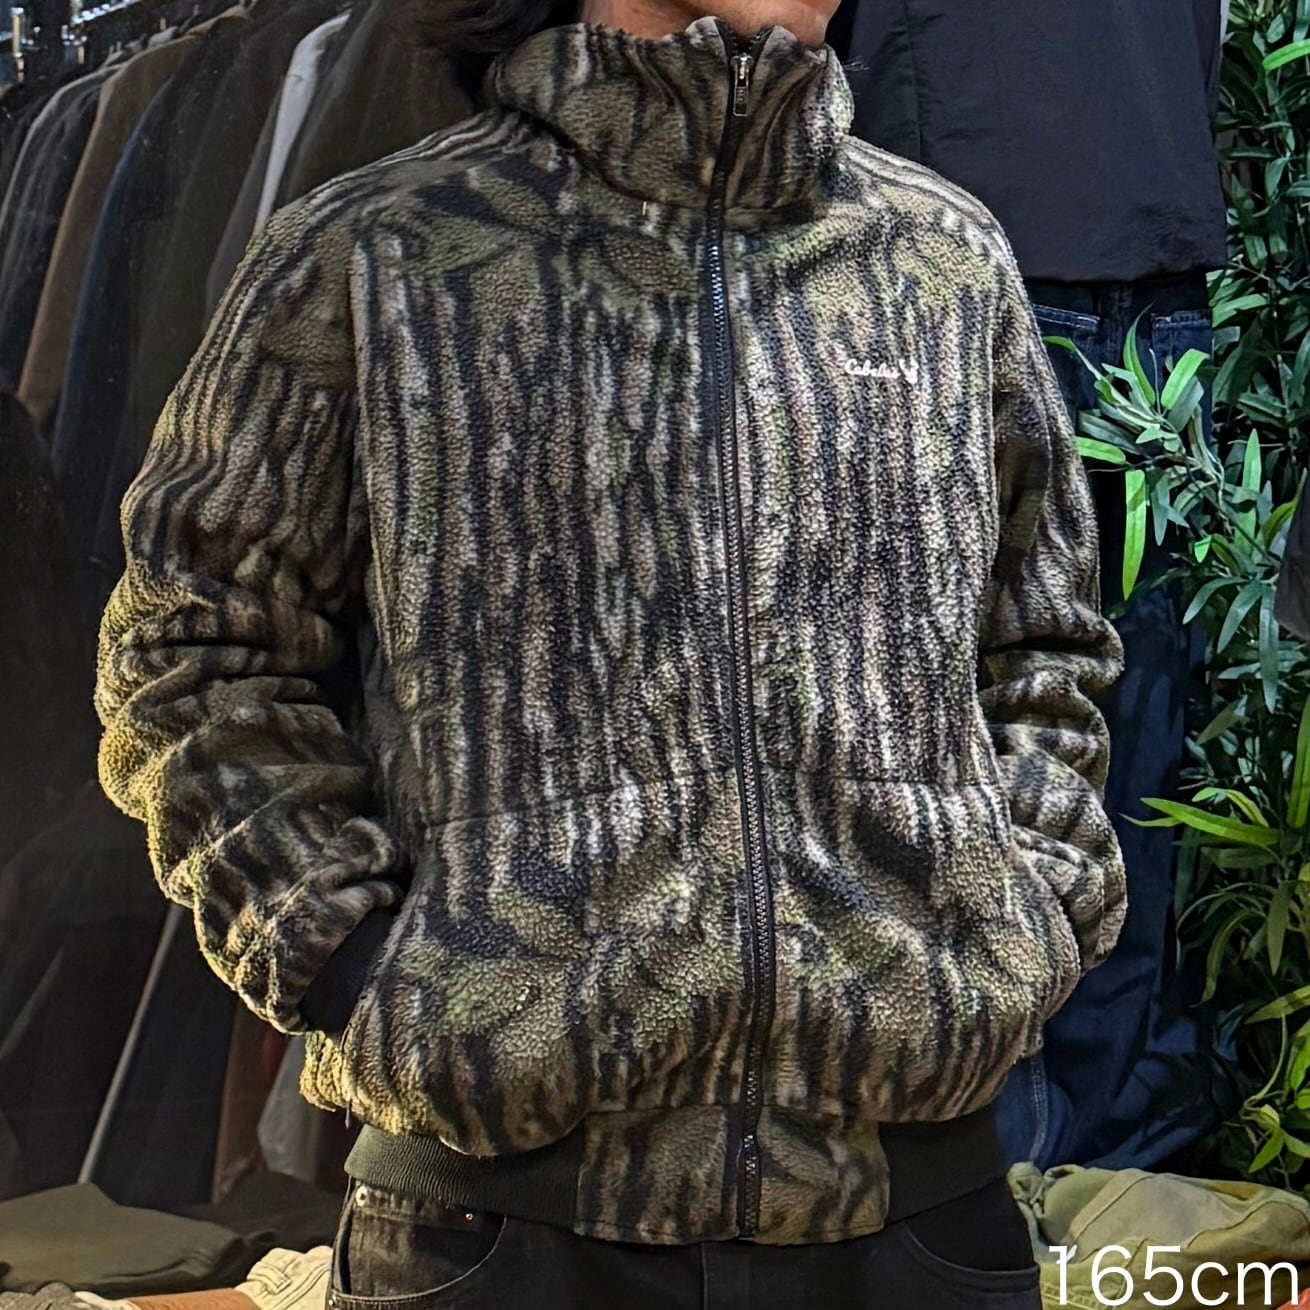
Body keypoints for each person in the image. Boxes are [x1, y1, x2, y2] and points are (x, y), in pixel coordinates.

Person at [91, 0, 1127, 1303]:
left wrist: (1024, 917)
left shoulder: (942, 263)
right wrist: (362, 965)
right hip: (499, 1223)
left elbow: (1044, 647)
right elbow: (194, 651)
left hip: (914, 1212)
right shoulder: (379, 253)